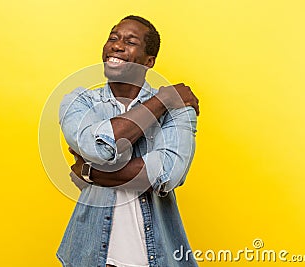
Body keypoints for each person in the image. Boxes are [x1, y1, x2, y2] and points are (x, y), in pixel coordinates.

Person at [57, 15, 199, 267]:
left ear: (149, 61)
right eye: (113, 38)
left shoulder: (179, 110)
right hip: (88, 257)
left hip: (157, 258)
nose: (117, 45)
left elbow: (167, 174)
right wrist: (160, 102)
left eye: (130, 41)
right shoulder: (78, 102)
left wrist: (90, 171)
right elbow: (100, 148)